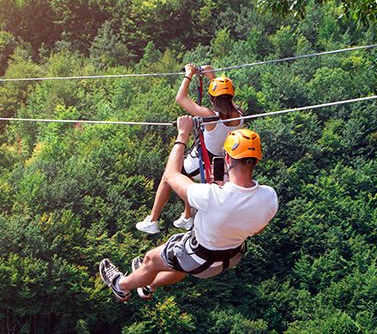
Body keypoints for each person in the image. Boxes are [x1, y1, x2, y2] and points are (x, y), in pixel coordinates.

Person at [100, 116, 278, 301]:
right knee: (179, 265)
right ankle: (149, 286)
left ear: (226, 157)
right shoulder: (269, 197)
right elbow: (258, 229)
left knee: (151, 260)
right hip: (229, 258)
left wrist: (182, 135)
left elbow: (171, 175)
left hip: (199, 256)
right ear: (256, 161)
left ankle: (120, 286)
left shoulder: (212, 196)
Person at [136, 64, 246, 234]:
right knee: (187, 177)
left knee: (169, 174)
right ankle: (188, 216)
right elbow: (226, 99)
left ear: (212, 98)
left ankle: (152, 220)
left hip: (204, 159)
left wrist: (188, 75)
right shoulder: (240, 114)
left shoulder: (210, 117)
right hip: (220, 162)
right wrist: (212, 78)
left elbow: (180, 98)